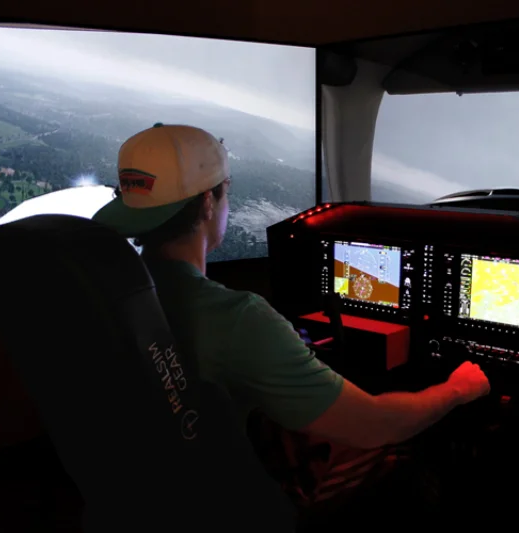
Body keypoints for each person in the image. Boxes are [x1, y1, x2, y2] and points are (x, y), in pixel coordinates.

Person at [92, 123, 491, 510]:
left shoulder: (113, 289)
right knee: (406, 446)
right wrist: (457, 389)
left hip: (145, 487)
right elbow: (375, 424)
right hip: (224, 498)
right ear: (208, 202)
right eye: (225, 193)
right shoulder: (238, 318)